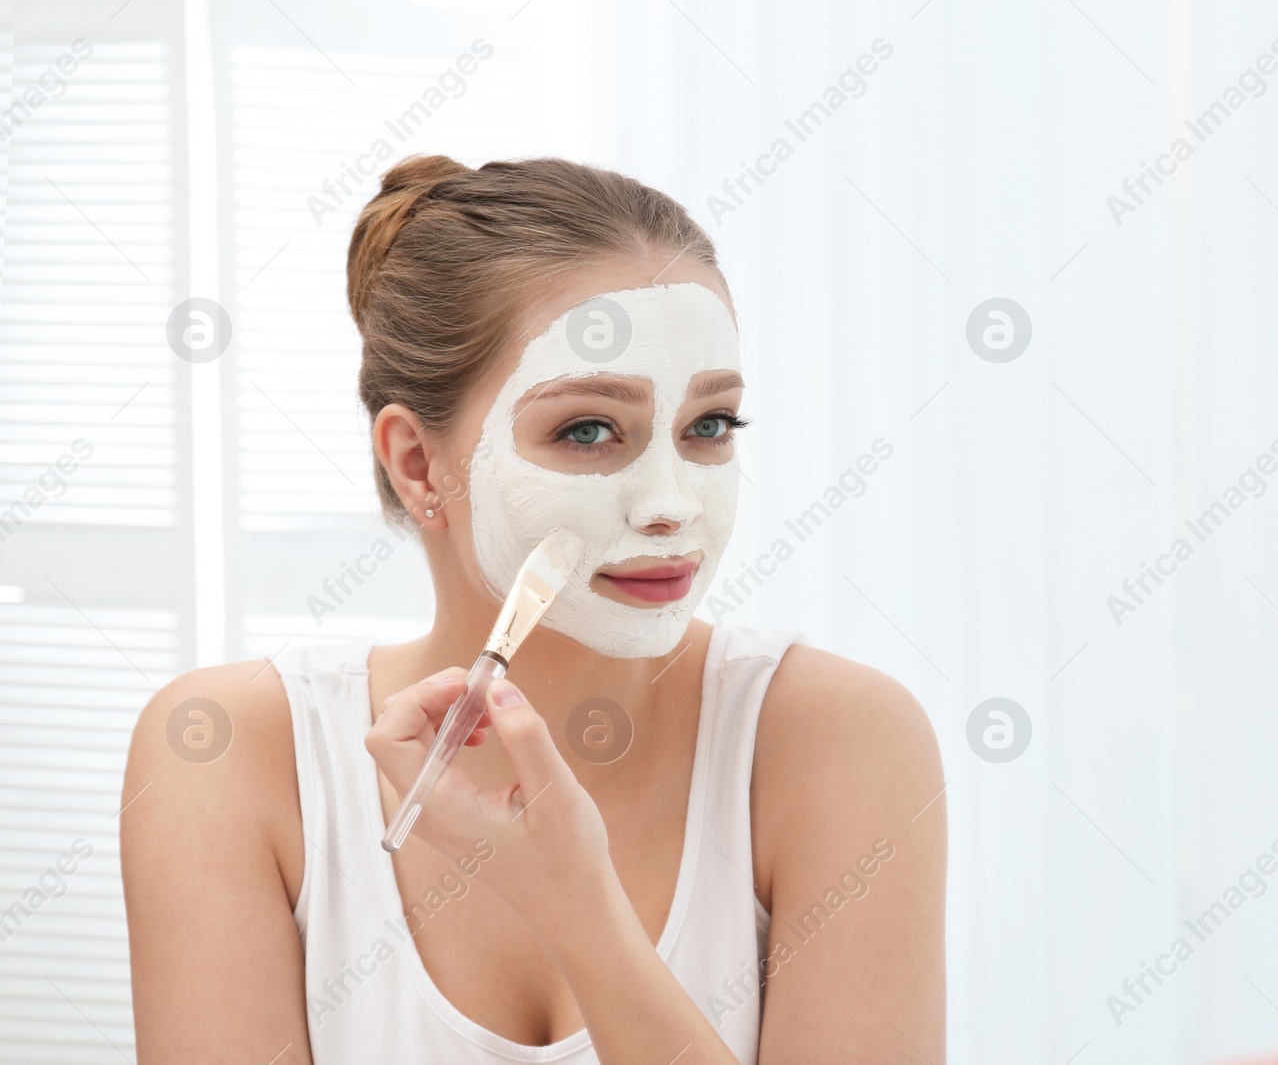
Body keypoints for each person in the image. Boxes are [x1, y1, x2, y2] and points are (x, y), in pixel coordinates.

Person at [119, 155, 947, 1063]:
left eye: (708, 425)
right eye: (588, 430)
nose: (670, 503)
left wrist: (578, 913)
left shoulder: (838, 737)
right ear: (418, 463)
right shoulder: (232, 751)